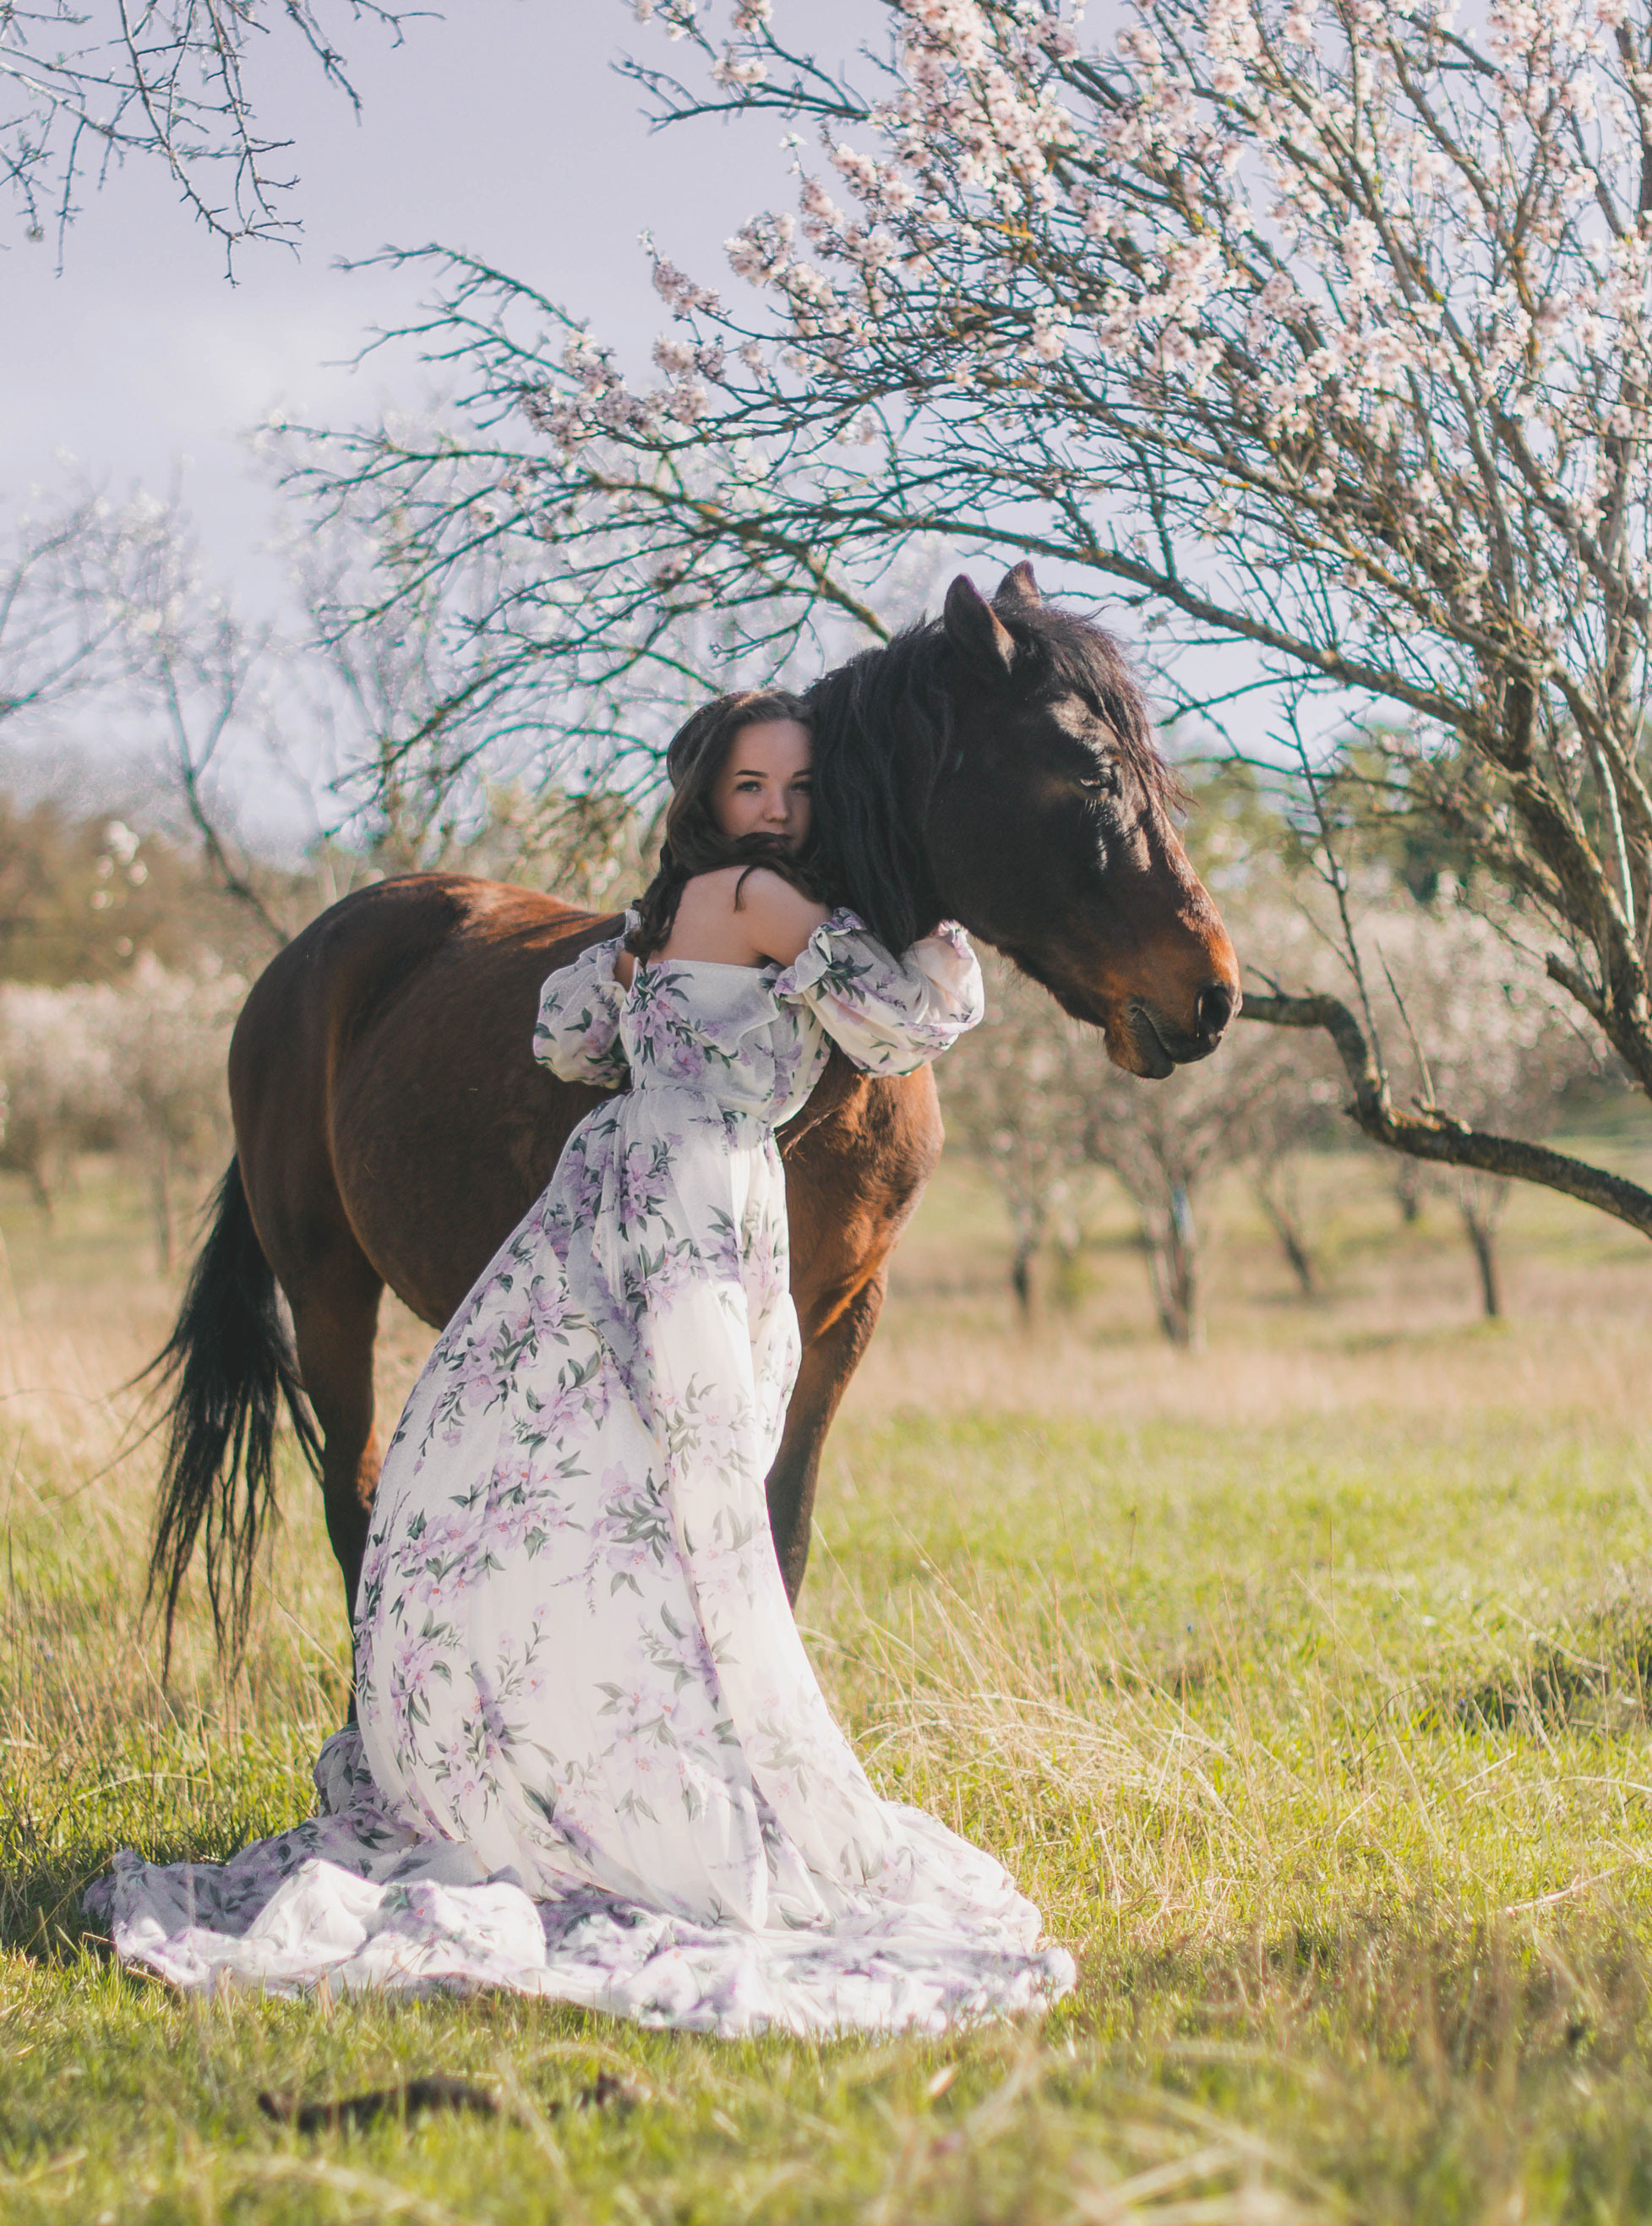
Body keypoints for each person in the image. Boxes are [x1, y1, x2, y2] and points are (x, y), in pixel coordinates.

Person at [91, 690, 1075, 2034]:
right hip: (701, 1208)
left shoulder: (653, 918)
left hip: (625, 1184)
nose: (781, 810)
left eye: (799, 789)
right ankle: (672, 1777)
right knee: (694, 1487)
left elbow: (566, 1037)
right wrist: (950, 928)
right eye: (753, 786)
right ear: (709, 795)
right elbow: (900, 1019)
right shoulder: (761, 900)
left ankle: (539, 1751)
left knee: (591, 1477)